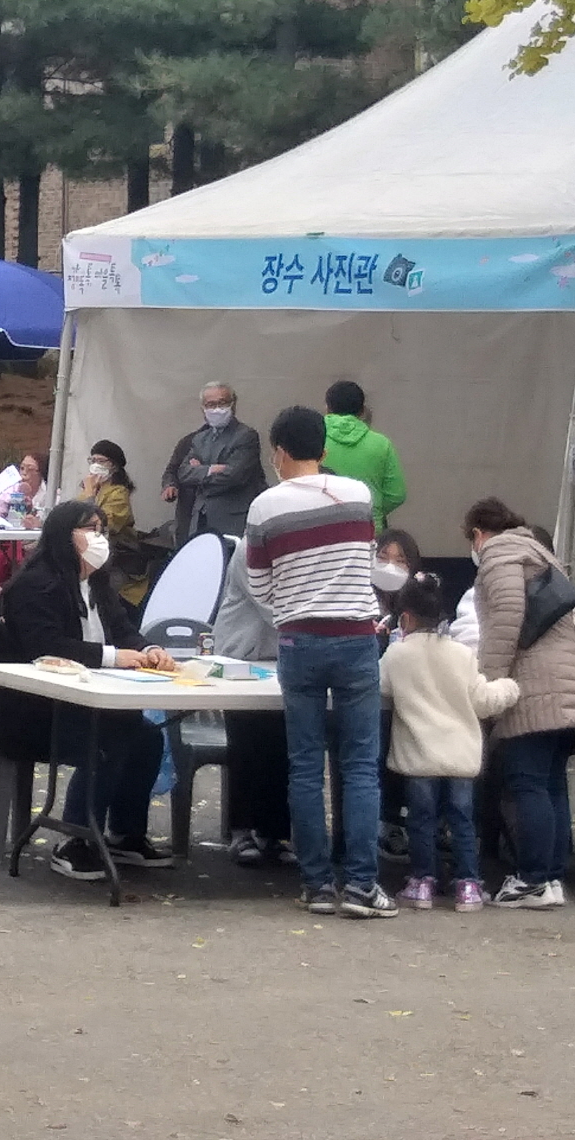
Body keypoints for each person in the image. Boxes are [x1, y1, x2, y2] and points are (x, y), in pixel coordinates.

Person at [243, 405, 392, 919]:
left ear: (279, 451)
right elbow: (366, 562)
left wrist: (291, 606)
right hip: (356, 639)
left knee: (304, 766)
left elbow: (258, 582)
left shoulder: (264, 507)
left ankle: (316, 885)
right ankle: (362, 885)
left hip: (299, 641)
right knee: (359, 767)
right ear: (324, 451)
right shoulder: (359, 495)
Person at [0, 501, 173, 880]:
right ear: (63, 536)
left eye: (101, 529)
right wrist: (117, 657)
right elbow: (47, 647)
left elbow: (123, 628)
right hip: (27, 710)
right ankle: (75, 838)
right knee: (110, 737)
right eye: (89, 529)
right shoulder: (37, 584)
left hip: (83, 704)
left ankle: (125, 834)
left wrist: (148, 650)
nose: (98, 538)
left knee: (146, 737)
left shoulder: (97, 582)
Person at [467, 496, 575, 910]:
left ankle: (533, 879)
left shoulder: (500, 554)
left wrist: (489, 682)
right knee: (551, 783)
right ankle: (552, 877)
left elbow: (506, 615)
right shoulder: (539, 553)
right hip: (570, 685)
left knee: (527, 784)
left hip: (535, 689)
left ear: (477, 534)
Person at [380, 571, 520, 912]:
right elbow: (483, 699)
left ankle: (422, 882)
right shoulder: (461, 654)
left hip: (419, 756)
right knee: (462, 820)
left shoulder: (397, 655)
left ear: (406, 618)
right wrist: (511, 687)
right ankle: (468, 884)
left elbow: (380, 689)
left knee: (421, 820)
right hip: (460, 756)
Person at [215, 539, 292, 868]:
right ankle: (241, 830)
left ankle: (274, 833)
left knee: (282, 744)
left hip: (280, 658)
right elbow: (272, 606)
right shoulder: (251, 549)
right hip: (241, 656)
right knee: (246, 741)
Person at [370, 528, 423, 858]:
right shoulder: (360, 598)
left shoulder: (421, 604)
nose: (390, 566)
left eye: (400, 561)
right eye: (383, 558)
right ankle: (381, 823)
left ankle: (401, 821)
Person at [160, 382, 265, 539]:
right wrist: (211, 469)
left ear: (233, 404)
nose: (216, 409)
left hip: (232, 519)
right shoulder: (199, 439)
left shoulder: (246, 435)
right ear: (203, 408)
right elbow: (182, 473)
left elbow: (235, 476)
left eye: (222, 403)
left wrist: (199, 471)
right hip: (199, 519)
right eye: (210, 404)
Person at [320, 381, 408, 531]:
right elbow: (396, 494)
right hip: (368, 529)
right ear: (362, 411)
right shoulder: (381, 444)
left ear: (327, 408)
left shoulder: (315, 440)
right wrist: (374, 509)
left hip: (324, 529)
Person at [77, 440, 149, 608]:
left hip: (116, 559)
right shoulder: (93, 489)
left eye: (101, 461)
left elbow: (99, 524)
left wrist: (89, 494)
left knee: (98, 596)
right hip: (89, 554)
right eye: (92, 460)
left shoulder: (119, 493)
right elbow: (75, 516)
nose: (95, 465)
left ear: (114, 466)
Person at [0, 451, 50, 526]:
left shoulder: (50, 495)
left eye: (30, 469)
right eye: (22, 468)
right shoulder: (11, 488)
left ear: (40, 473)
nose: (24, 473)